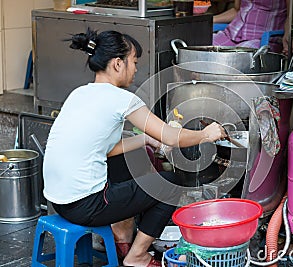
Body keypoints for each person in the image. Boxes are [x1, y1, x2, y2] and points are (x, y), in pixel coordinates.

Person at [42, 28, 226, 267]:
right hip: (86, 205)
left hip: (59, 201)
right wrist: (206, 134)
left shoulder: (80, 93)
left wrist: (146, 139)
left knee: (128, 156)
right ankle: (137, 255)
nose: (136, 69)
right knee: (170, 183)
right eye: (134, 62)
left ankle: (122, 234)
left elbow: (106, 150)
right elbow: (170, 137)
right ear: (118, 64)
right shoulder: (121, 98)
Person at [213, 0, 291, 54]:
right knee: (203, 47)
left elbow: (292, 14)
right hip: (232, 34)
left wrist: (289, 34)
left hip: (263, 39)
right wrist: (209, 19)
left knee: (236, 58)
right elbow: (237, 10)